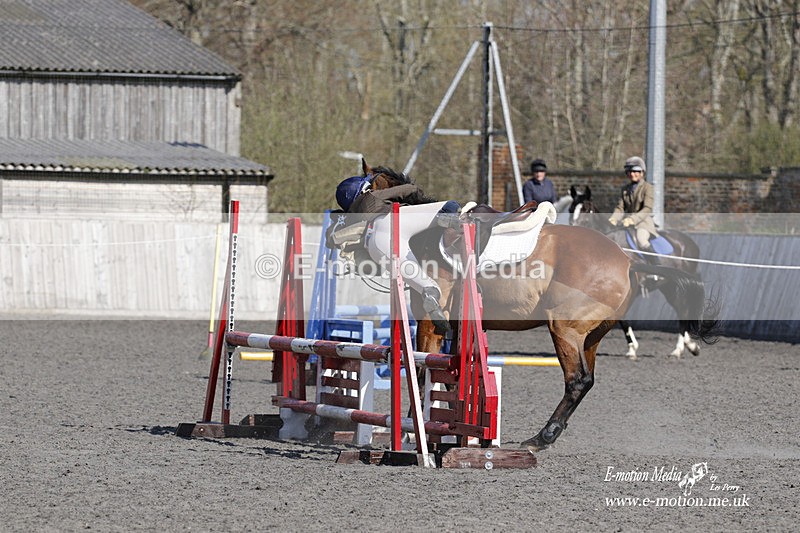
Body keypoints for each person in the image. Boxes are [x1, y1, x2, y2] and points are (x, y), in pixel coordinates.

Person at [332, 175, 457, 334]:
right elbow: (407, 190)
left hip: (374, 247)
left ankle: (433, 300)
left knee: (429, 287)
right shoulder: (370, 196)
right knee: (450, 205)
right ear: (363, 190)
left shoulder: (351, 217)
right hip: (390, 224)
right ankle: (452, 225)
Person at [608, 156, 659, 250]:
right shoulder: (625, 189)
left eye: (635, 171)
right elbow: (620, 208)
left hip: (643, 223)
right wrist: (614, 218)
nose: (632, 174)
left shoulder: (648, 188)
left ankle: (655, 263)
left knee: (641, 240)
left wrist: (632, 219)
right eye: (629, 172)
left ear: (642, 173)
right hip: (626, 223)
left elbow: (647, 208)